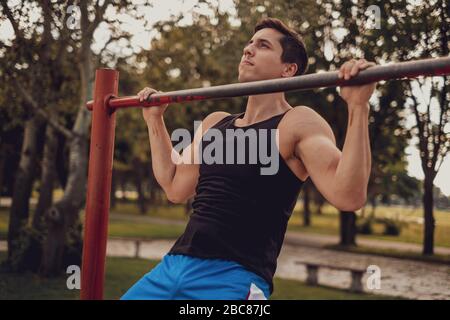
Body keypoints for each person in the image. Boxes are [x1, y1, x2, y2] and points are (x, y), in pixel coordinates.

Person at [121, 17, 375, 300]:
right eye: (250, 43)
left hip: (235, 280)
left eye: (263, 45)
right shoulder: (215, 124)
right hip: (172, 267)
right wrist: (154, 120)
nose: (248, 50)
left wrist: (358, 106)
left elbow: (349, 196)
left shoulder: (296, 123)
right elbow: (173, 186)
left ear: (288, 69)